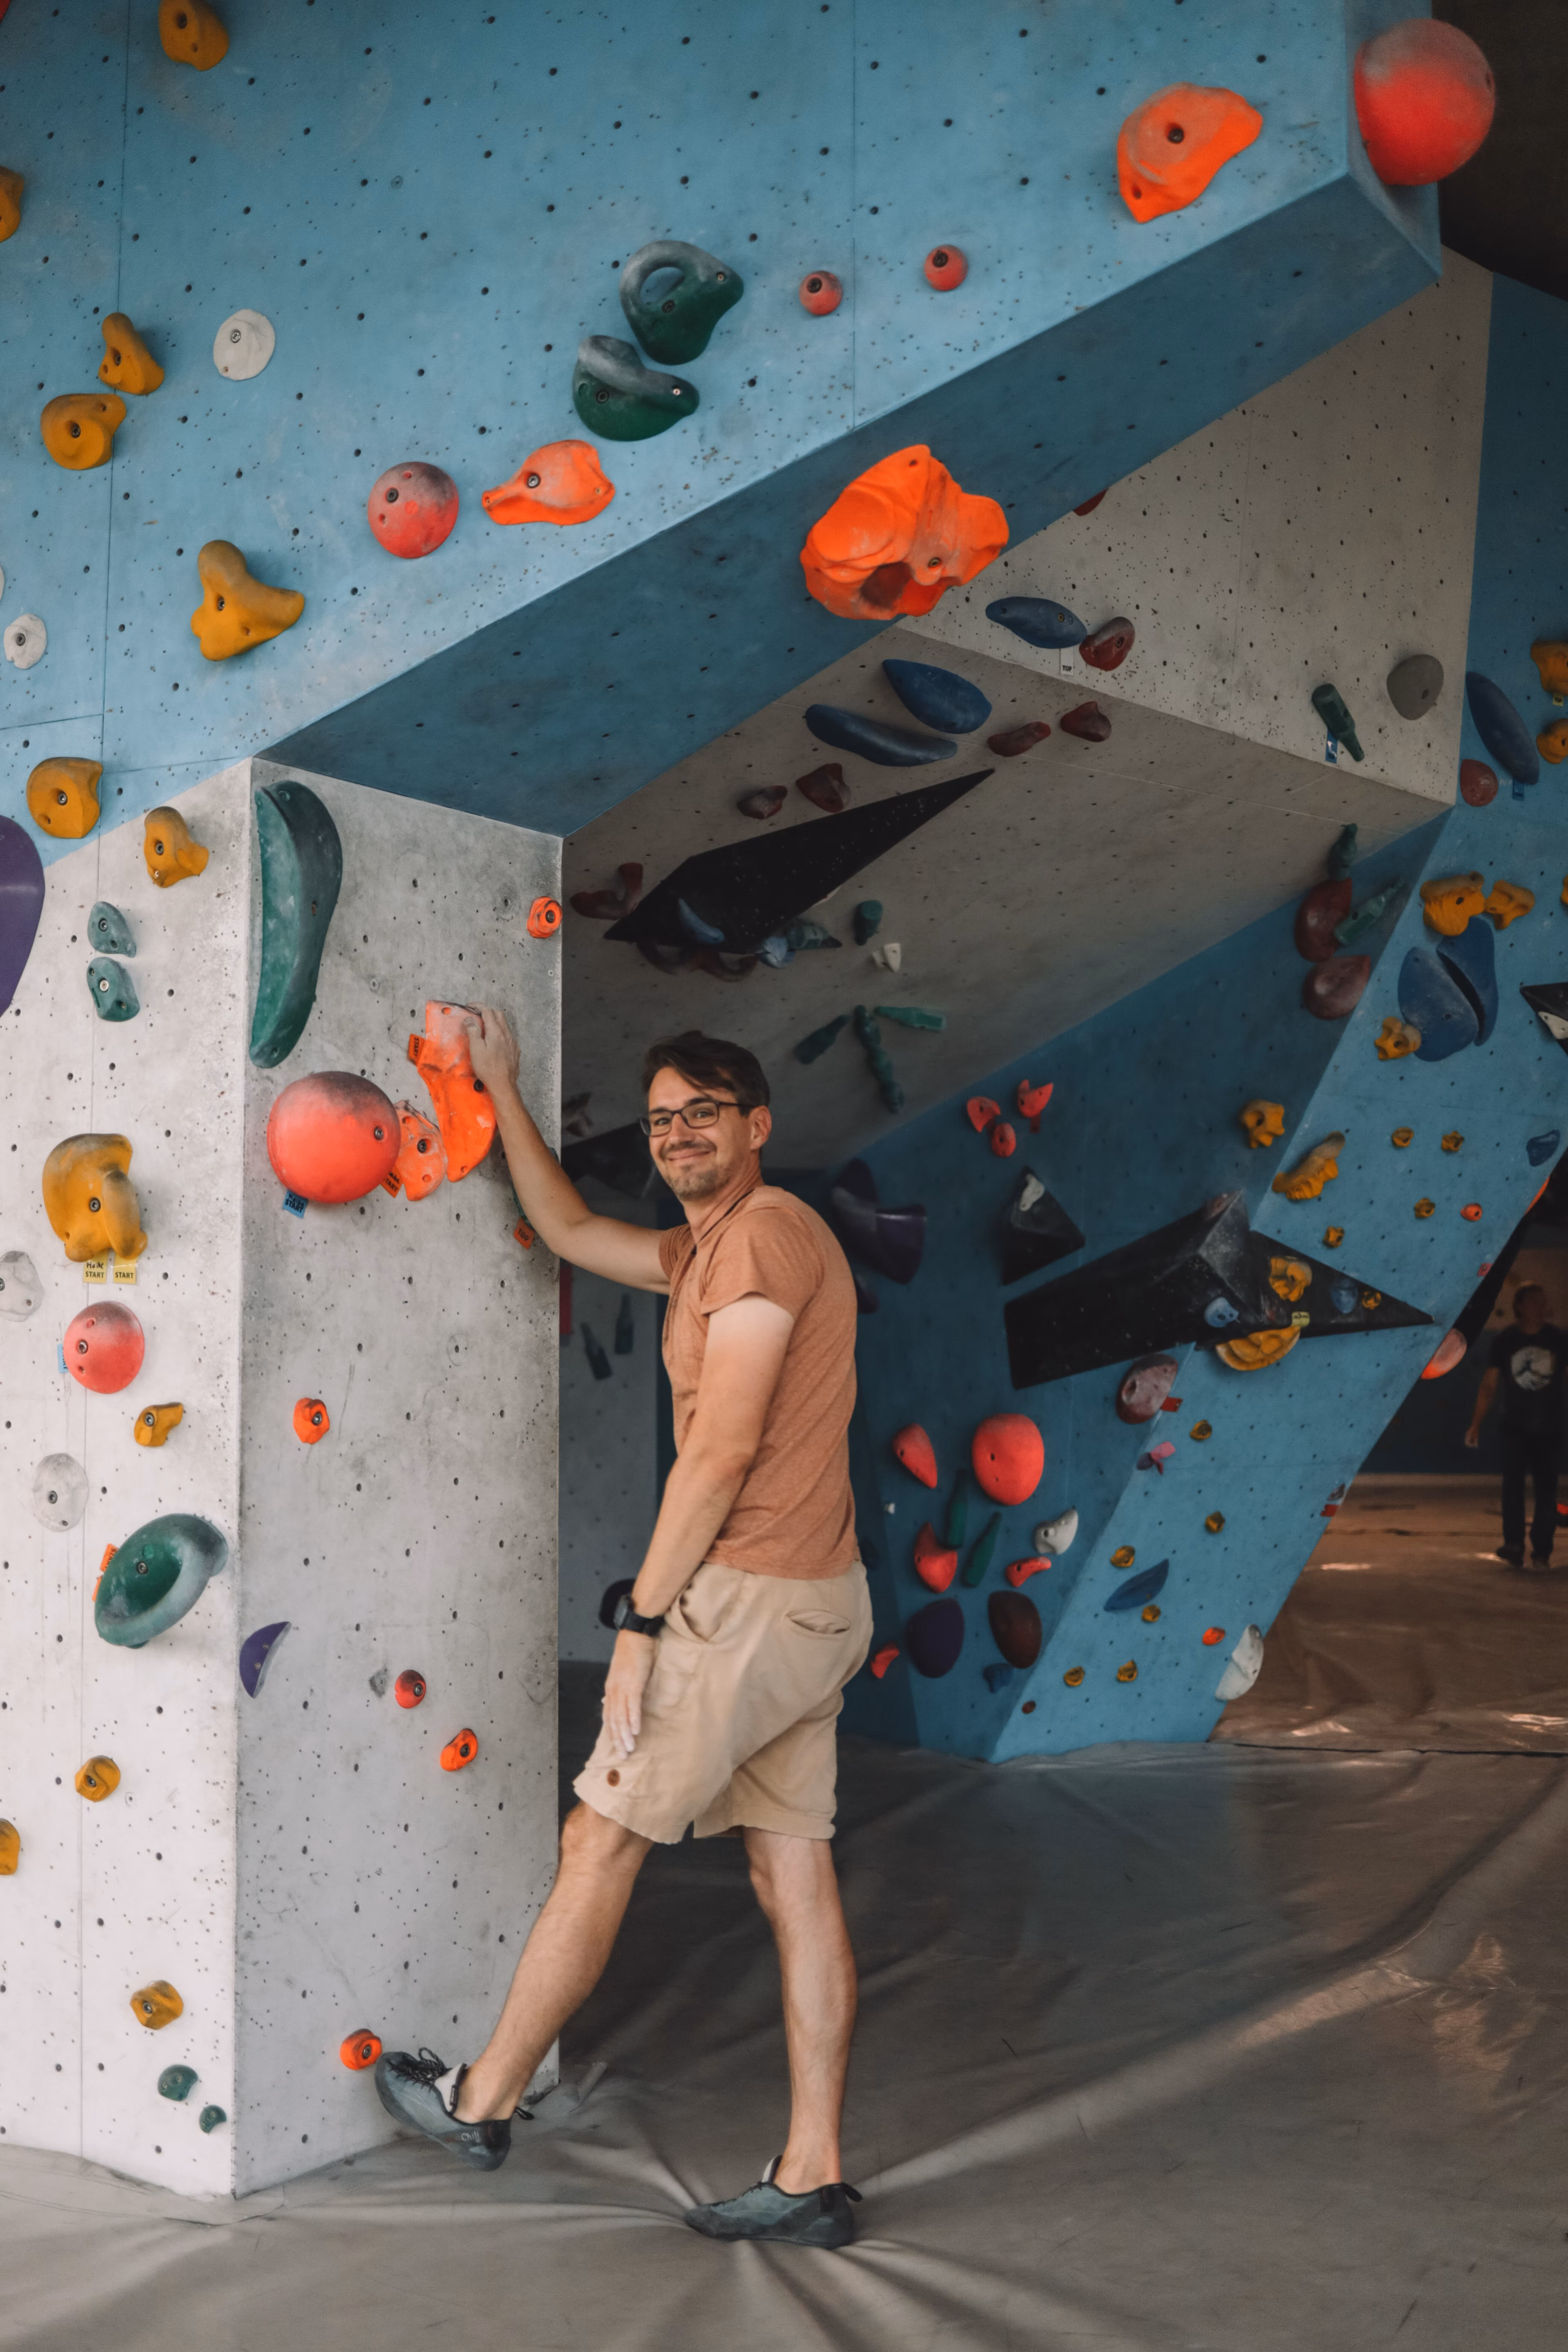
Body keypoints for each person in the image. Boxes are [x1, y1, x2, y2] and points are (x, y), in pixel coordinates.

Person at [374, 1022, 873, 2250]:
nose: (677, 1132)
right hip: (816, 1605)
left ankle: (480, 2100)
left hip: (746, 1603)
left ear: (758, 1126)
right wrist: (495, 1089)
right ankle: (811, 2170)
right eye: (659, 1119)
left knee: (598, 1837)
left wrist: (641, 1620)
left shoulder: (761, 1237)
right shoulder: (700, 1250)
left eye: (704, 1109)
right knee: (789, 1872)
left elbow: (723, 1445)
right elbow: (567, 1230)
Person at [1464, 1282, 1568, 1569]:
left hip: (1550, 1427)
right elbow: (1490, 1384)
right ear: (1521, 1306)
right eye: (1535, 1302)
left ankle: (1542, 1550)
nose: (1540, 1308)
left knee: (1547, 1490)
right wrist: (1476, 1424)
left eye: (1543, 1302)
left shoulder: (1557, 1339)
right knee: (1512, 1489)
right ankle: (1513, 1544)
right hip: (1515, 1426)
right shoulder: (1506, 1340)